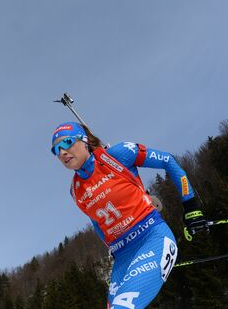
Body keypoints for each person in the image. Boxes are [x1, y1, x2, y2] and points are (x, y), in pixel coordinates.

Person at [50, 122, 208, 309]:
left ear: (84, 140)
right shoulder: (76, 191)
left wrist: (191, 207)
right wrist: (112, 249)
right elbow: (97, 223)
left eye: (66, 143)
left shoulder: (117, 155)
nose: (62, 152)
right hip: (122, 256)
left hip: (152, 237)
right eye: (56, 150)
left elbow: (168, 161)